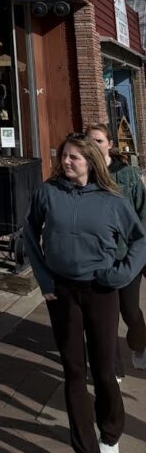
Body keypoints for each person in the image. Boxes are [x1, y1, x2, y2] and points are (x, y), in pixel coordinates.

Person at [24, 133, 146, 453]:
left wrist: (121, 274)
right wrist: (46, 283)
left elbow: (140, 239)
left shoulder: (113, 200)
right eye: (64, 155)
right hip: (62, 293)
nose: (66, 161)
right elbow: (29, 233)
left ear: (90, 161)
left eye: (74, 157)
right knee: (74, 371)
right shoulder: (47, 193)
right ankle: (85, 447)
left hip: (101, 291)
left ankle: (109, 435)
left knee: (104, 371)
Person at [86, 122, 146, 373]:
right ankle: (112, 367)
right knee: (103, 317)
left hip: (127, 256)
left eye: (99, 141)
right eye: (89, 141)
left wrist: (141, 250)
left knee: (130, 311)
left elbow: (142, 212)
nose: (94, 146)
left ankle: (140, 344)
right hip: (97, 258)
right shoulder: (83, 175)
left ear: (110, 144)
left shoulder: (127, 175)